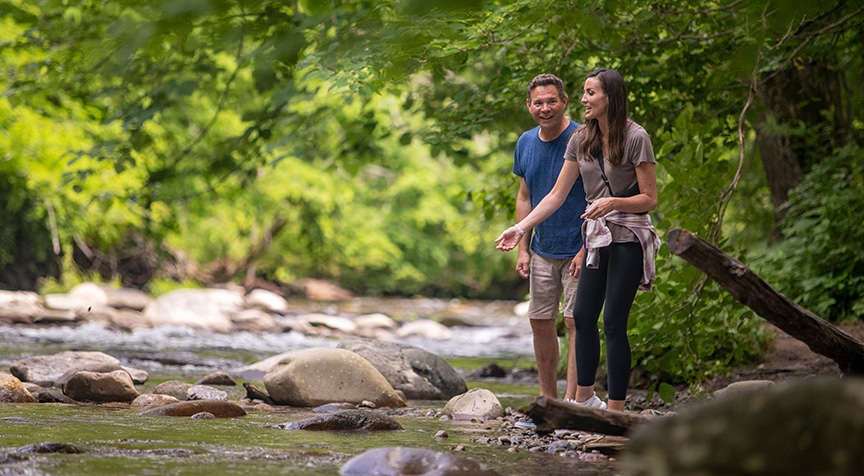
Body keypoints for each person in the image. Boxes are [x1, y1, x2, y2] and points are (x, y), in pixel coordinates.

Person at [496, 69, 659, 412]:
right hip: (597, 238)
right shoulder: (581, 139)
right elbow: (556, 195)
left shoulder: (636, 137)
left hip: (628, 236)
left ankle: (615, 411)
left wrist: (613, 202)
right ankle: (583, 400)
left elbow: (649, 199)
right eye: (584, 93)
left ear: (609, 97)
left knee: (613, 322)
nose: (584, 99)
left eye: (590, 93)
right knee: (583, 317)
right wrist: (521, 228)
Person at [510, 74, 587, 425]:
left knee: (574, 322)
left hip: (579, 247)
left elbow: (600, 194)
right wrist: (523, 248)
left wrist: (588, 246)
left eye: (551, 101)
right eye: (538, 102)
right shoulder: (525, 142)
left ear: (565, 101)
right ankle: (547, 401)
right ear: (528, 106)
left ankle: (572, 404)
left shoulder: (584, 139)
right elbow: (525, 197)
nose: (545, 108)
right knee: (540, 322)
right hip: (542, 247)